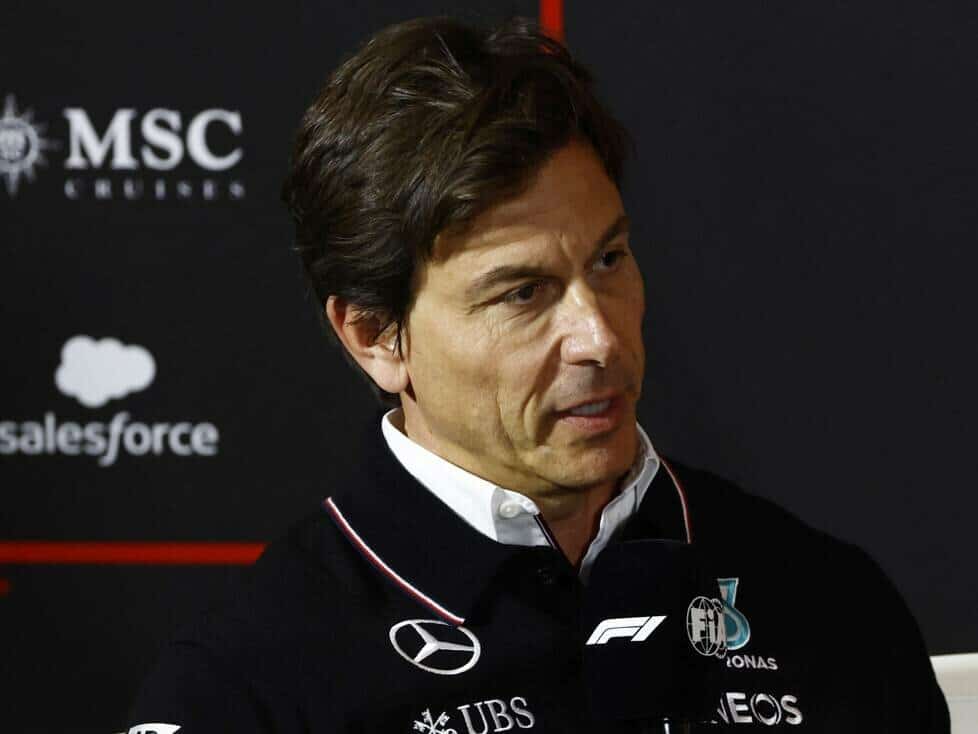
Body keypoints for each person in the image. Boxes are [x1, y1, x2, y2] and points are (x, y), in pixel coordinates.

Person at [126, 15, 949, 733]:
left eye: (610, 259)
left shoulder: (830, 604)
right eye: (523, 293)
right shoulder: (248, 683)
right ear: (376, 336)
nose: (599, 337)